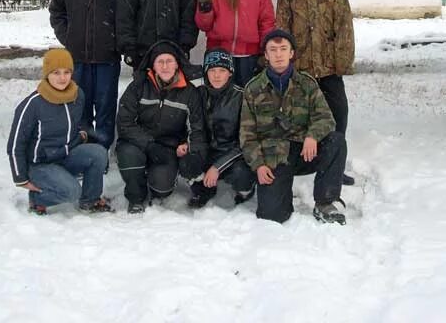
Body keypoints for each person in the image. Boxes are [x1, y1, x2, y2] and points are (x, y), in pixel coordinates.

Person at [240, 30, 347, 225]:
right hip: (275, 157)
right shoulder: (253, 89)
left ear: (291, 53)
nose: (278, 54)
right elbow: (247, 135)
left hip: (305, 151)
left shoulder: (307, 84)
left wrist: (313, 136)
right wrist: (259, 165)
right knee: (272, 216)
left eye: (283, 49)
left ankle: (325, 202)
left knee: (336, 141)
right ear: (266, 55)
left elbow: (326, 118)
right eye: (273, 50)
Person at [276, 0, 355, 185]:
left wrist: (343, 59)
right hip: (302, 64)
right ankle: (306, 160)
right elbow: (282, 24)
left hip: (328, 63)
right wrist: (285, 60)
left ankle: (335, 165)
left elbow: (344, 23)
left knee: (338, 112)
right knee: (303, 114)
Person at [7, 48, 111, 215]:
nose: (62, 78)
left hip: (66, 155)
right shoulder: (33, 104)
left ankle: (90, 200)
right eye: (56, 73)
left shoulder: (77, 95)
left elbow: (79, 121)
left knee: (98, 153)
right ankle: (37, 199)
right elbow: (15, 144)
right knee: (72, 192)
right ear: (47, 74)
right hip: (40, 164)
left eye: (66, 72)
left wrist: (82, 133)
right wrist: (21, 178)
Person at [49, 0, 124, 152]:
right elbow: (57, 13)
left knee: (105, 106)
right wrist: (68, 37)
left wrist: (116, 41)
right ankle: (83, 150)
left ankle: (101, 150)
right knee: (80, 105)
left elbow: (126, 14)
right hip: (77, 57)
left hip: (107, 56)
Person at [116, 41, 208, 213]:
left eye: (169, 61)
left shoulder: (189, 92)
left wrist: (189, 148)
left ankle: (156, 180)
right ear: (153, 65)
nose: (165, 66)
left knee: (162, 189)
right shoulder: (138, 86)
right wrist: (149, 144)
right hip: (137, 143)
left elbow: (196, 128)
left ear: (177, 64)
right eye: (160, 61)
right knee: (129, 156)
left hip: (167, 149)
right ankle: (136, 197)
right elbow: (124, 122)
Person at [195, 48, 256, 207]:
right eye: (212, 70)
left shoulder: (242, 97)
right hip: (207, 152)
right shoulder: (198, 94)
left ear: (230, 73)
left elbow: (246, 141)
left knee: (241, 174)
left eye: (222, 70)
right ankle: (203, 189)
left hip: (234, 155)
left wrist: (217, 167)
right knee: (188, 161)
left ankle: (245, 191)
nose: (217, 75)